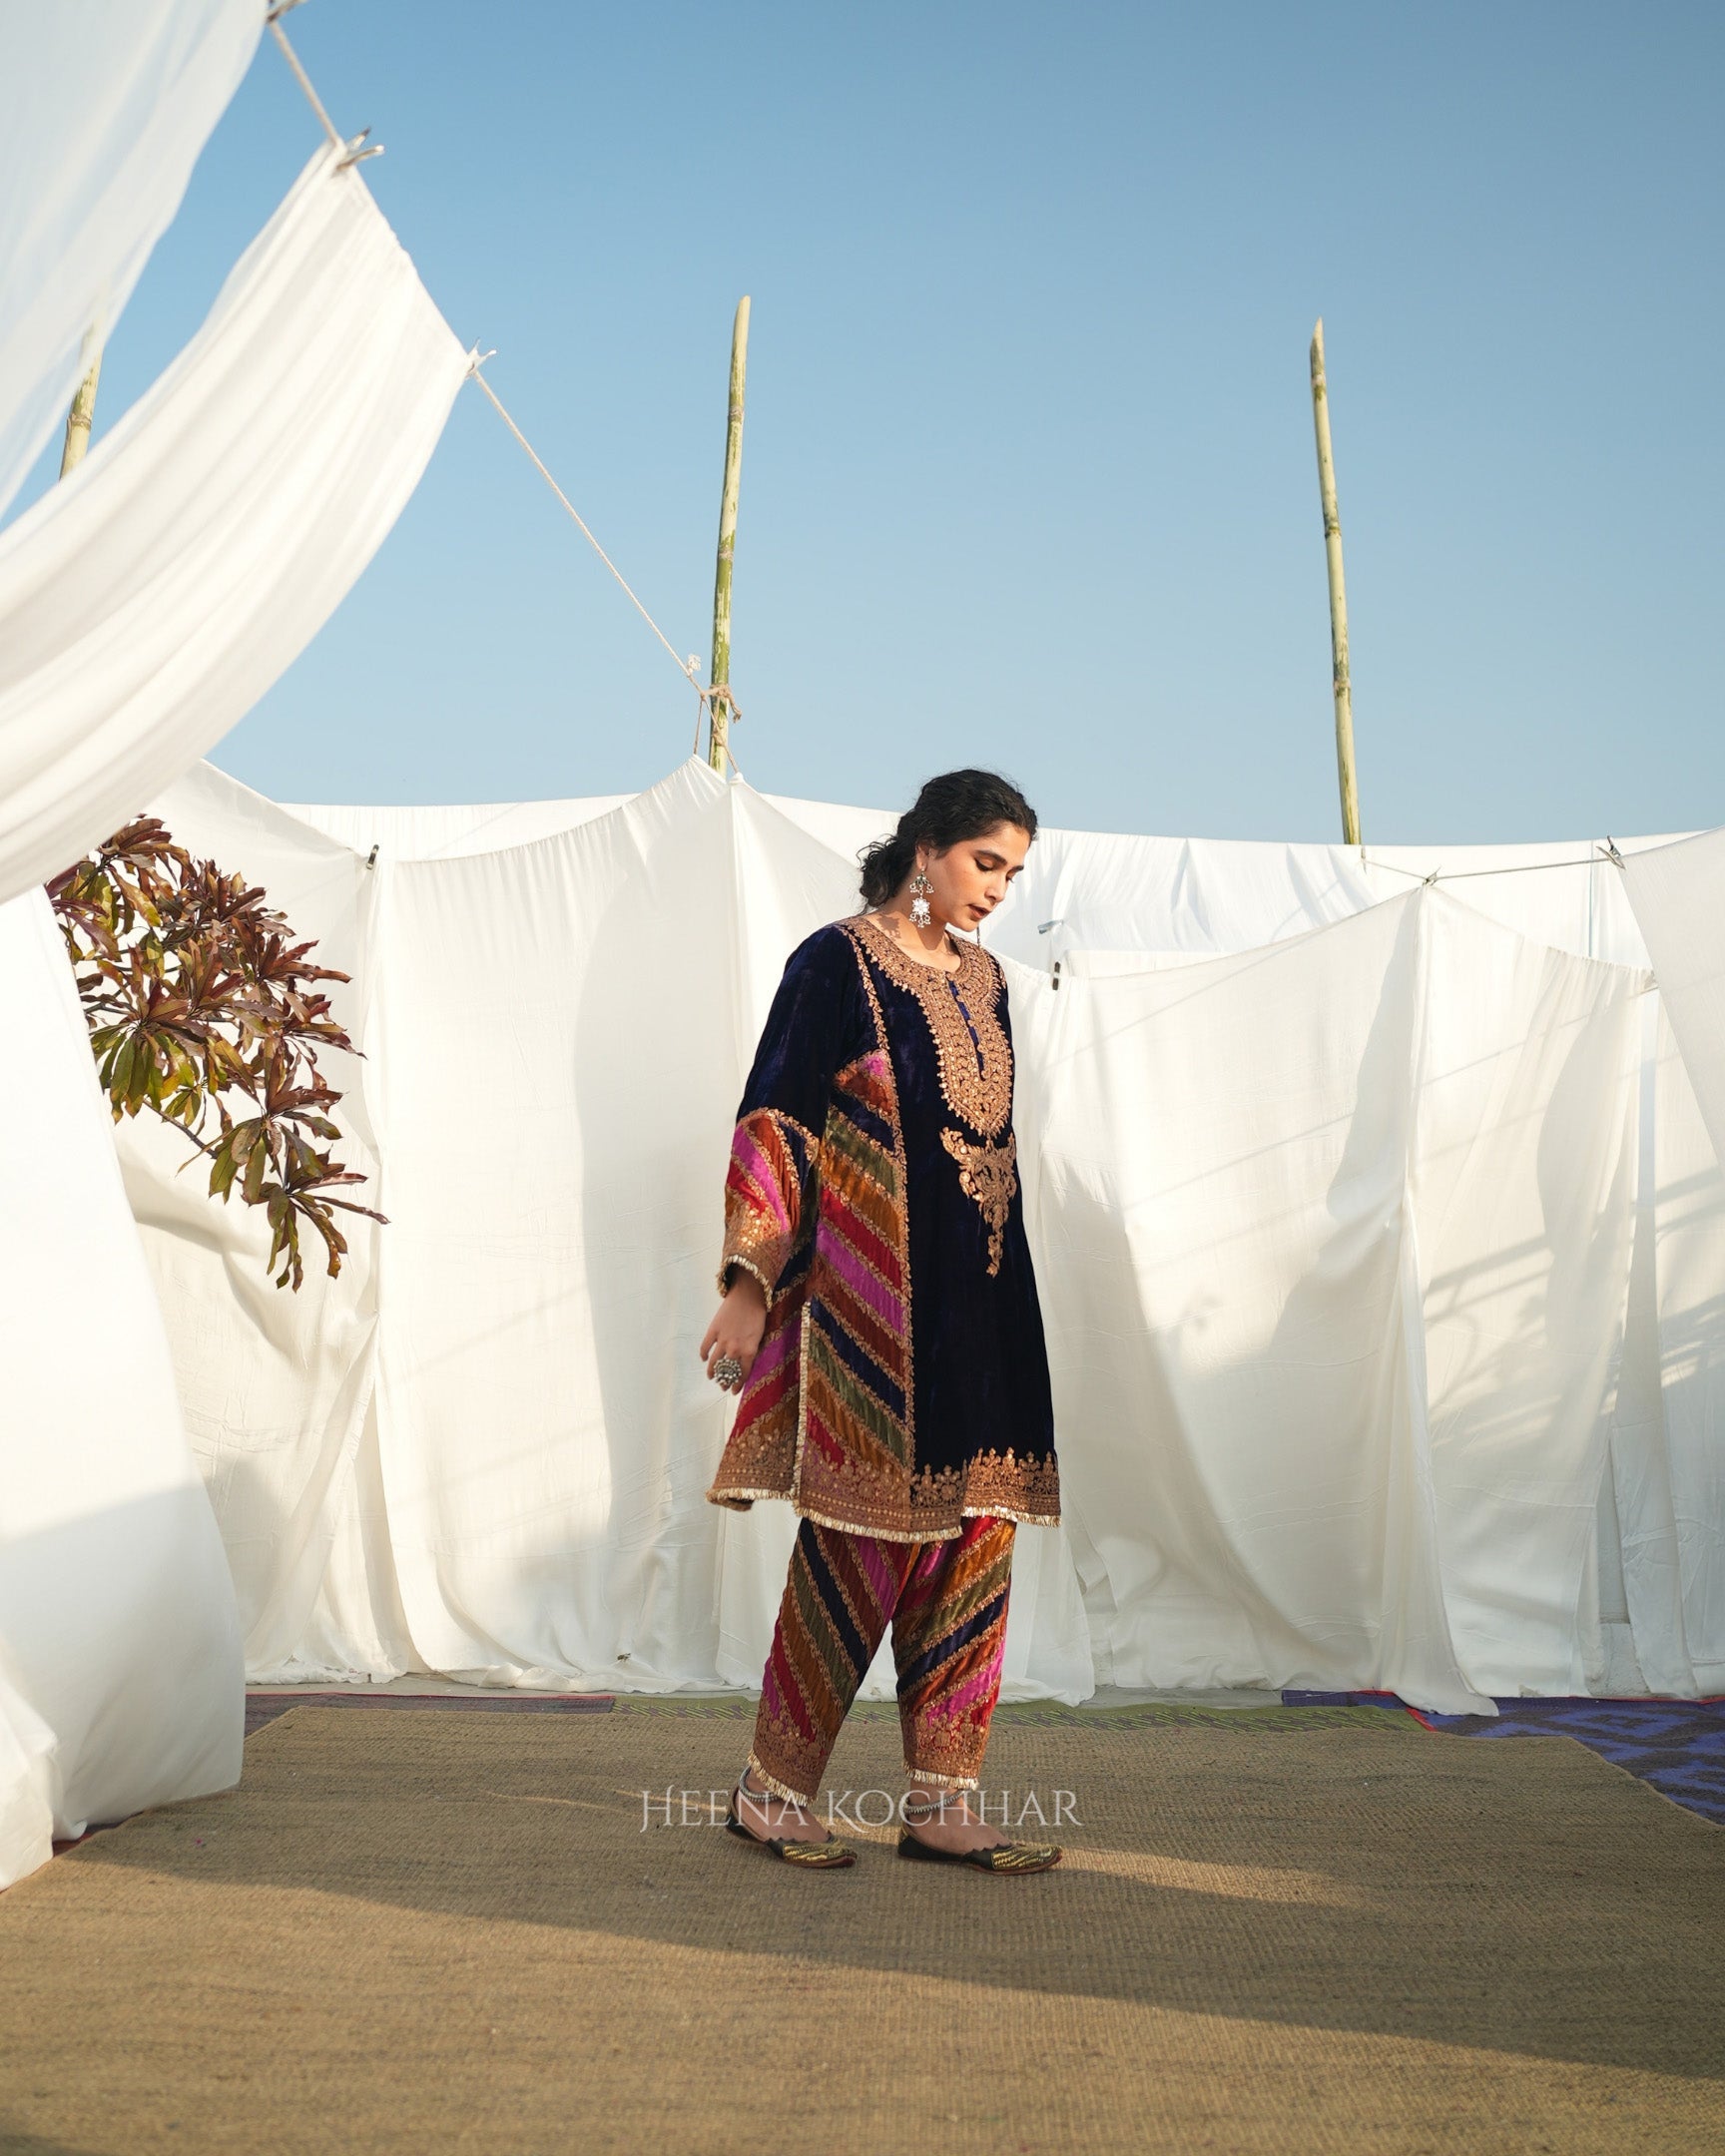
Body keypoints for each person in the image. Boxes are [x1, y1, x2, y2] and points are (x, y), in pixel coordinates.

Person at [698, 769, 1062, 1875]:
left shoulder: (988, 982)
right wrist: (750, 1284)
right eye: (985, 863)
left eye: (1013, 873)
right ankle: (770, 1792)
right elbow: (780, 1120)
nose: (997, 890)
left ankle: (943, 1801)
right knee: (856, 1550)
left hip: (986, 1305)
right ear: (927, 849)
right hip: (875, 1315)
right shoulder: (835, 964)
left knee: (976, 1542)